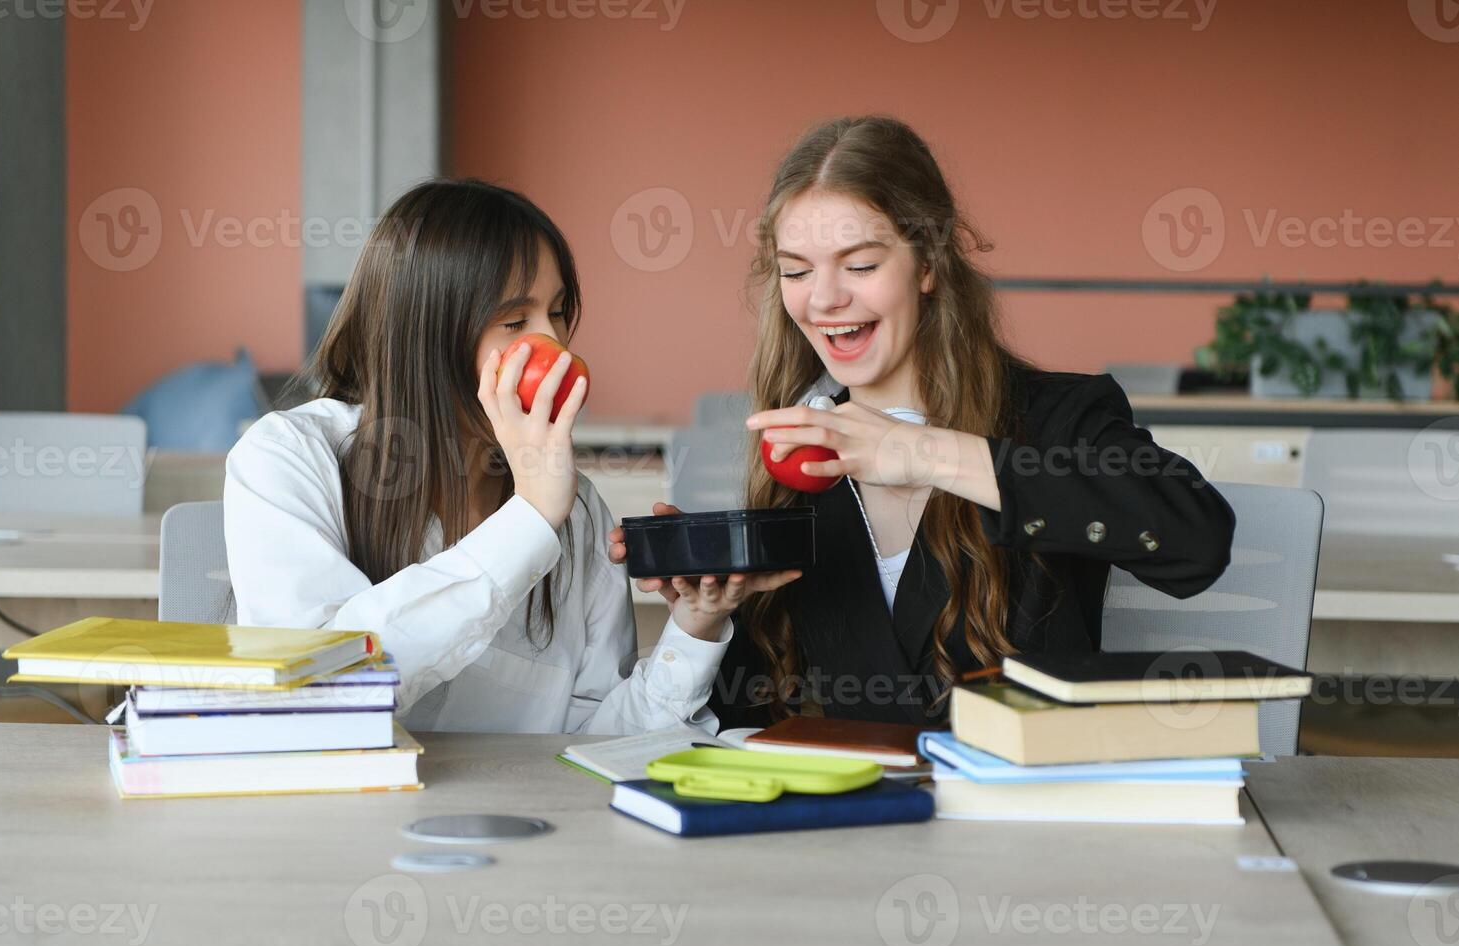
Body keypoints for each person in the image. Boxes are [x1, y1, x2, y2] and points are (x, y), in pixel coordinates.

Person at [609, 117, 1235, 728]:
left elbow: (1196, 540)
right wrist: (709, 614)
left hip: (1026, 819)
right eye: (796, 270)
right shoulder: (800, 452)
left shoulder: (1060, 416)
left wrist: (925, 453)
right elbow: (758, 712)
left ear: (929, 263)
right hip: (860, 822)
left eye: (859, 266)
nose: (823, 298)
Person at [224, 179, 793, 734]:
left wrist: (695, 625)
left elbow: (599, 736)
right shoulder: (287, 456)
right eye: (516, 322)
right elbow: (320, 691)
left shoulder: (576, 508)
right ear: (428, 336)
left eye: (560, 312)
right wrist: (529, 520)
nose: (556, 346)